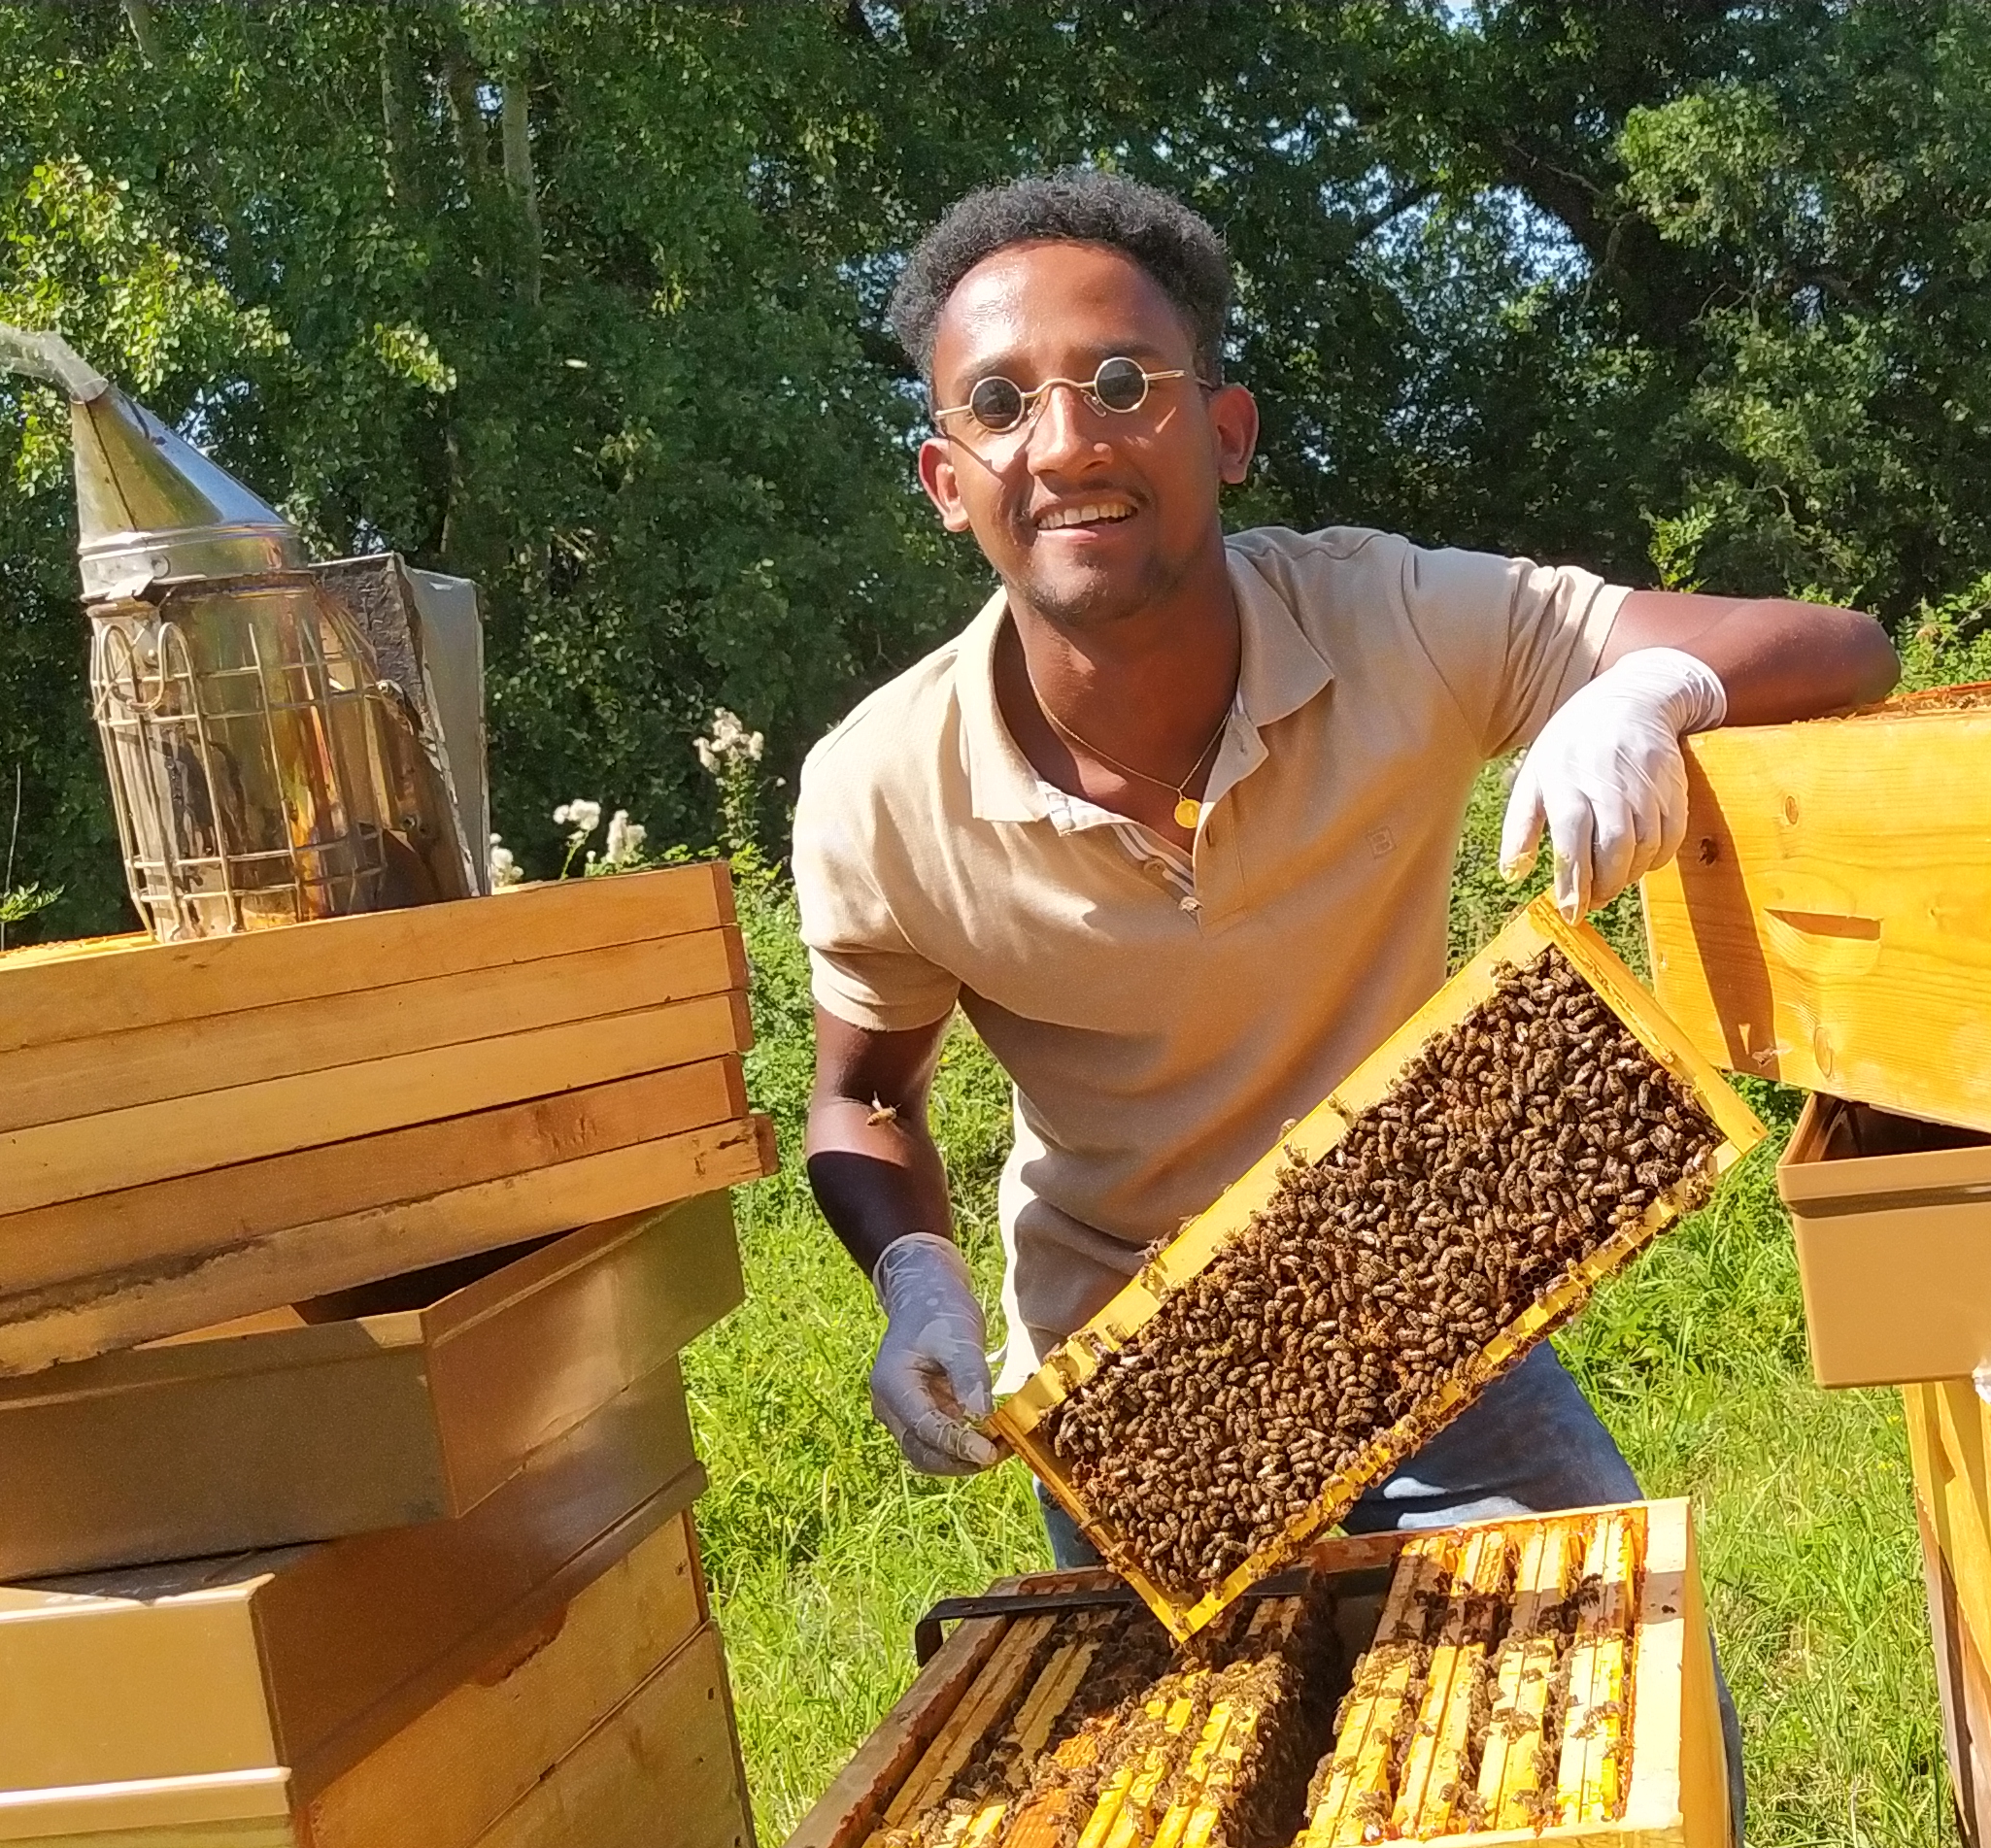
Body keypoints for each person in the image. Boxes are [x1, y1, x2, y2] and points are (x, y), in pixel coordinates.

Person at [793, 170, 1896, 1567]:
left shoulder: (1391, 615)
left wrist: (1647, 694)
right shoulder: (874, 788)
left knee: (1623, 1701)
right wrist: (915, 1280)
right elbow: (866, 1093)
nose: (1064, 443)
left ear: (1226, 430)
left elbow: (1842, 644)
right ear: (948, 481)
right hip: (1139, 1375)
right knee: (1174, 1774)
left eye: (1123, 381)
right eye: (1000, 405)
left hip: (1424, 1309)